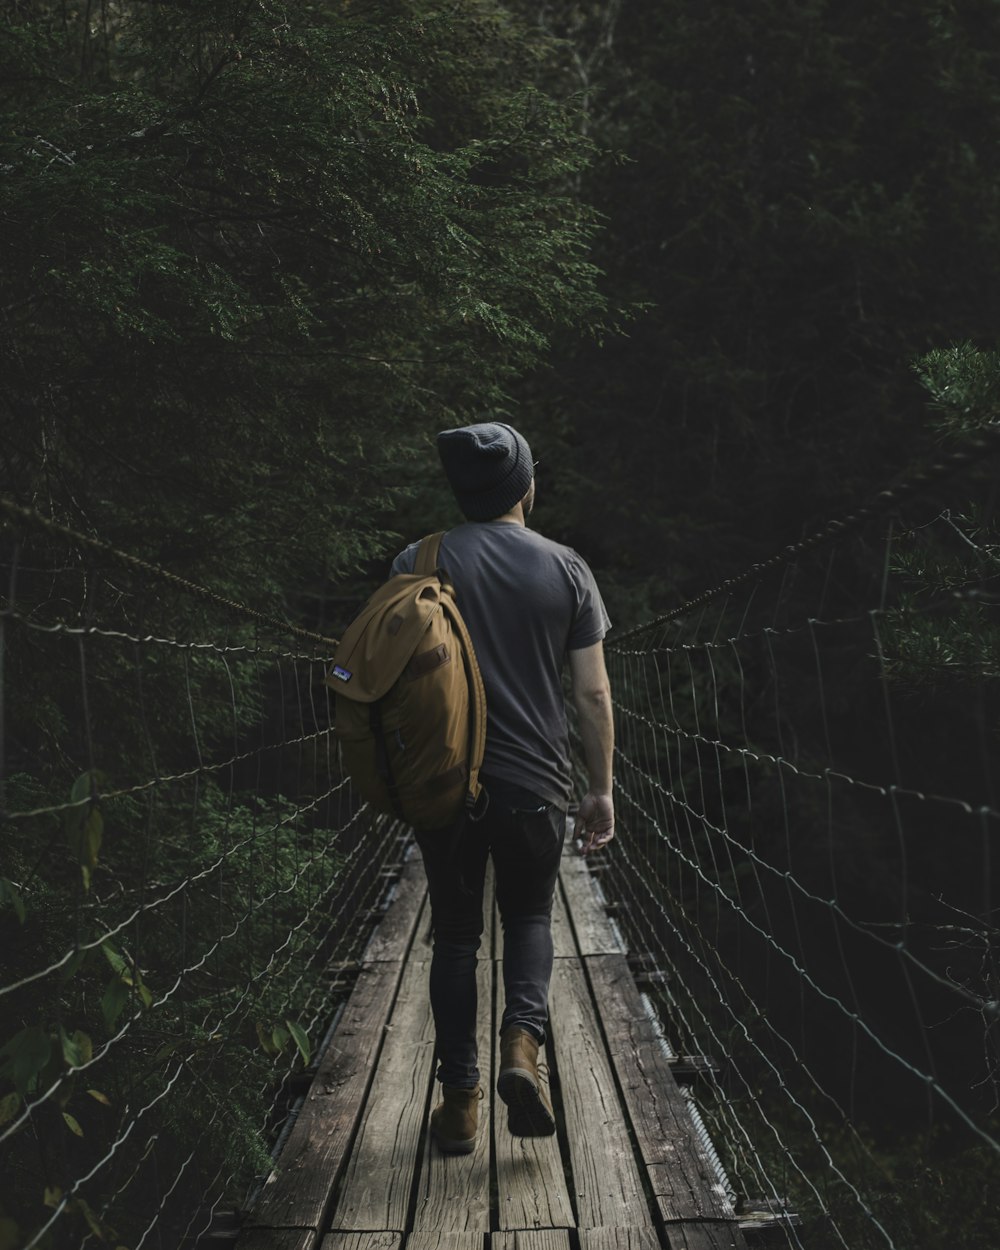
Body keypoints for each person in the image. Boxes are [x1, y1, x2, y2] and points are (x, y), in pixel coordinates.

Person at [390, 421, 615, 1154]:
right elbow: (592, 697)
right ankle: (523, 1044)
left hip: (446, 784)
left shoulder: (417, 560)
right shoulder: (566, 567)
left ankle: (459, 1107)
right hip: (537, 787)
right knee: (527, 920)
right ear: (526, 487)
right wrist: (600, 789)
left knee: (455, 937)